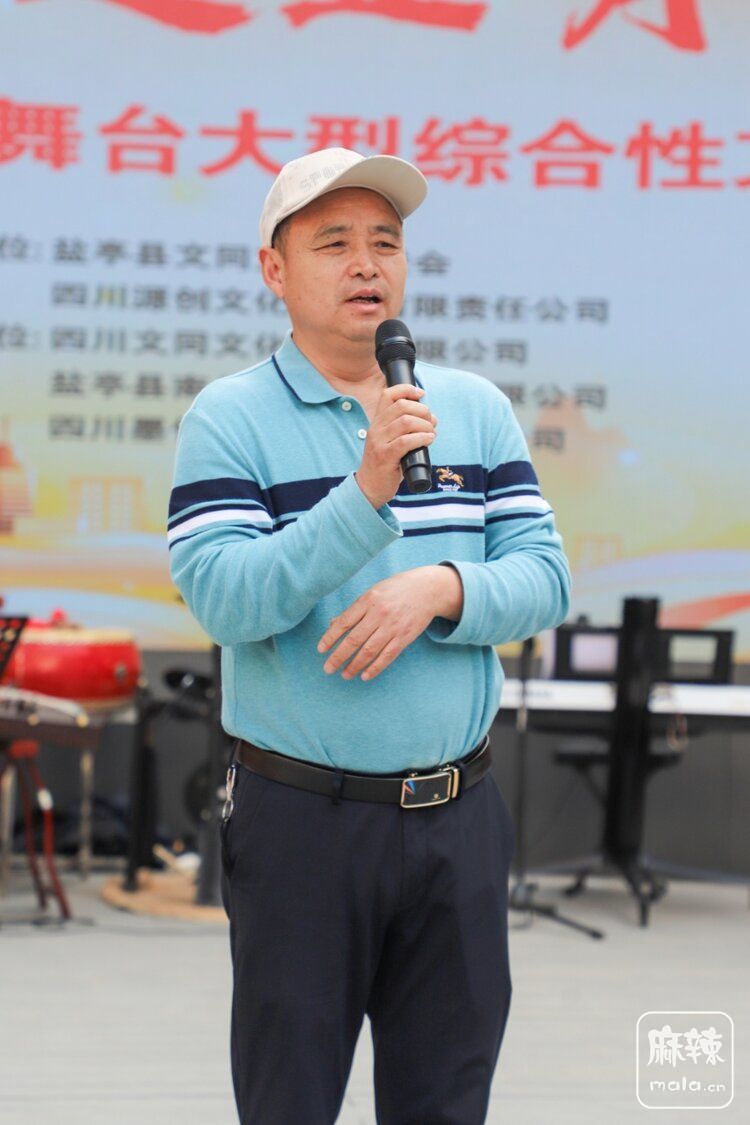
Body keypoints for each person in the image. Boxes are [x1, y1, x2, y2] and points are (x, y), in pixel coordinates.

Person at [168, 146, 571, 1125]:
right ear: (275, 270)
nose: (366, 264)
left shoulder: (470, 409)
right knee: (291, 1099)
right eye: (335, 242)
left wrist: (440, 588)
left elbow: (545, 578)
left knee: (447, 1100)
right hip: (304, 822)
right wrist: (365, 493)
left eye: (385, 243)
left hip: (460, 817)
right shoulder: (230, 418)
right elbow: (226, 601)